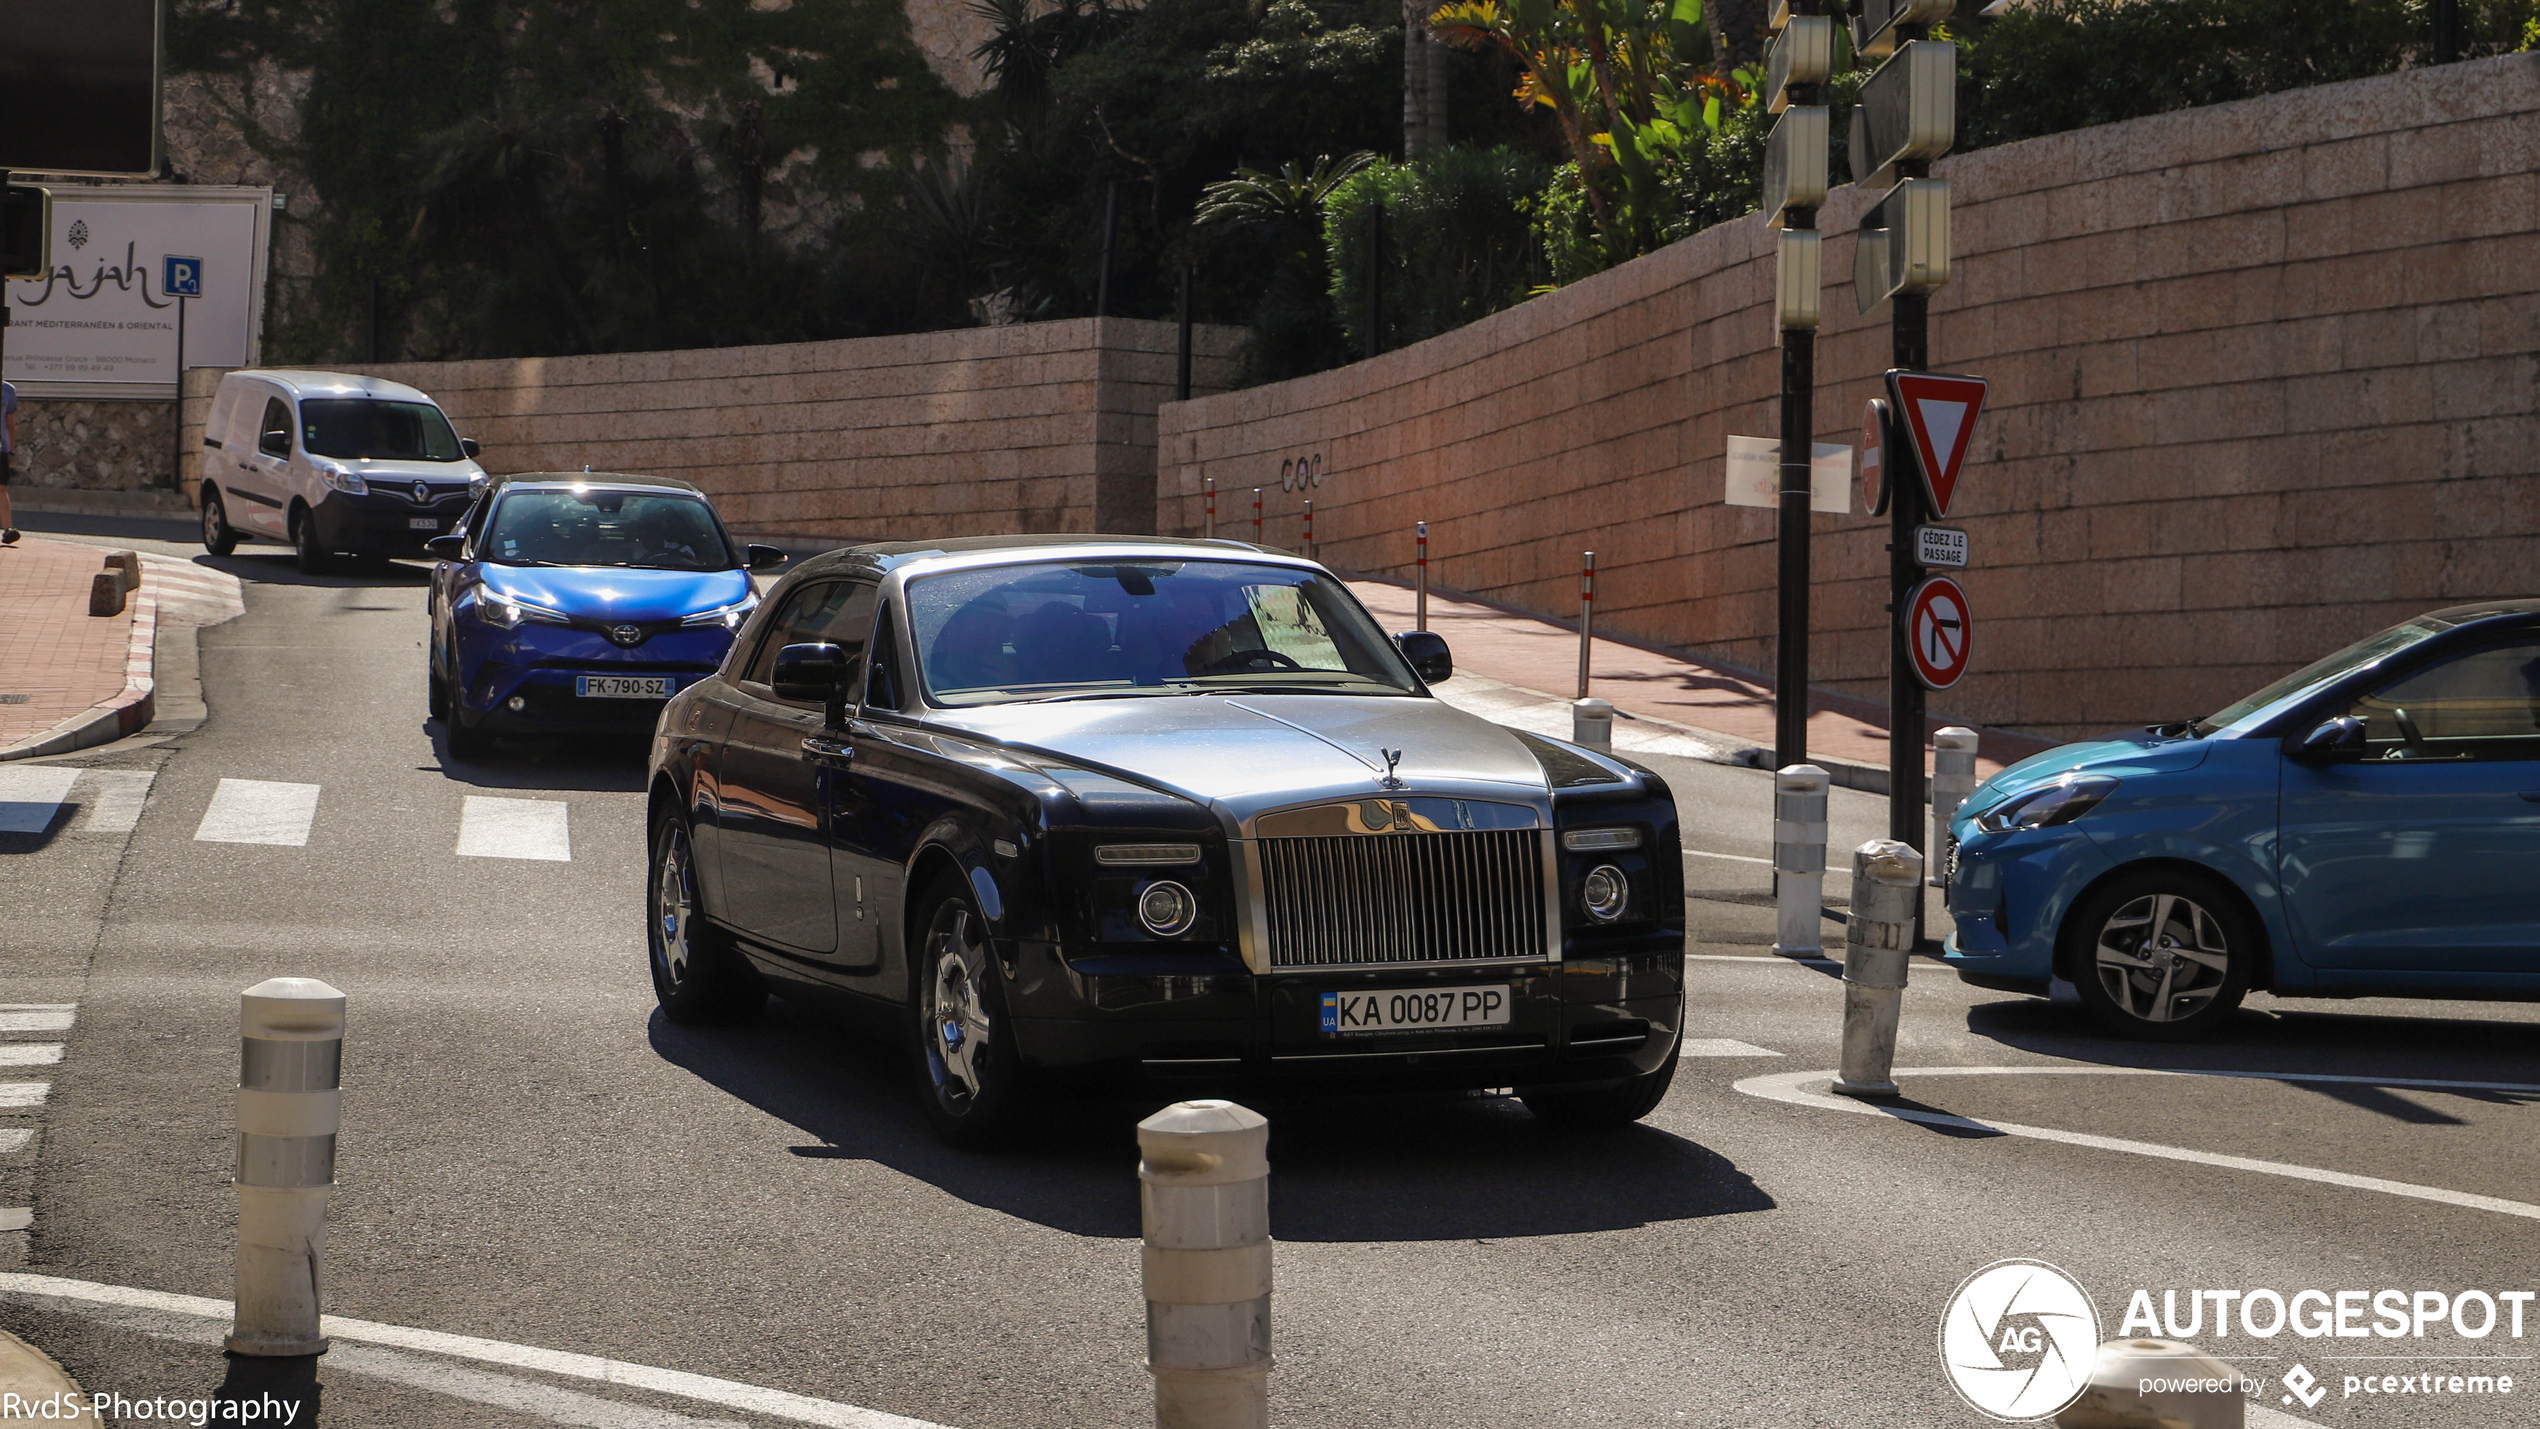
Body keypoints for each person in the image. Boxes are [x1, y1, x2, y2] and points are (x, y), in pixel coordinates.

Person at [0, 377, 19, 545]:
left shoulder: (8, 390)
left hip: (1, 447)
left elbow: (10, 423)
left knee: (1, 487)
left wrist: (11, 449)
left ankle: (7, 530)